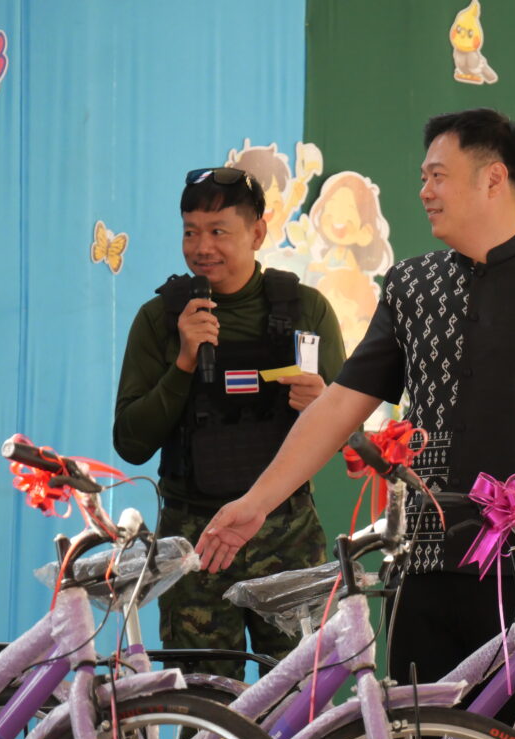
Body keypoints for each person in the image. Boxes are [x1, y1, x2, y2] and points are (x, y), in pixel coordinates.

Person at [195, 108, 515, 685]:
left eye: (438, 176)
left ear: (493, 178)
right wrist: (256, 502)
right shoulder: (412, 284)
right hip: (422, 558)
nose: (424, 191)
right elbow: (340, 404)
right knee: (416, 726)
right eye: (423, 177)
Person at [113, 167, 345, 678]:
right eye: (190, 232)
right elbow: (130, 442)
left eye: (218, 231)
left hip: (287, 538)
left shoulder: (307, 309)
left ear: (257, 232)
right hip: (195, 543)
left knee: (301, 699)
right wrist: (184, 363)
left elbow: (348, 437)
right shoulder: (160, 320)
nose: (202, 247)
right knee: (203, 705)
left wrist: (323, 404)